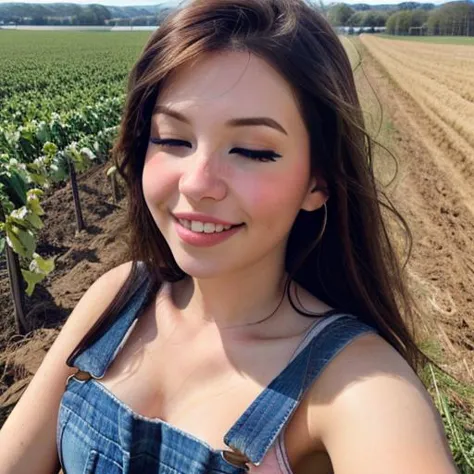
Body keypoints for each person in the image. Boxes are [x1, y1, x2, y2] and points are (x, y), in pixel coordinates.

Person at [0, 0, 458, 473]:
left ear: (317, 182)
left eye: (253, 151)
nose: (197, 183)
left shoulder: (357, 386)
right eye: (173, 140)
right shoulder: (117, 300)